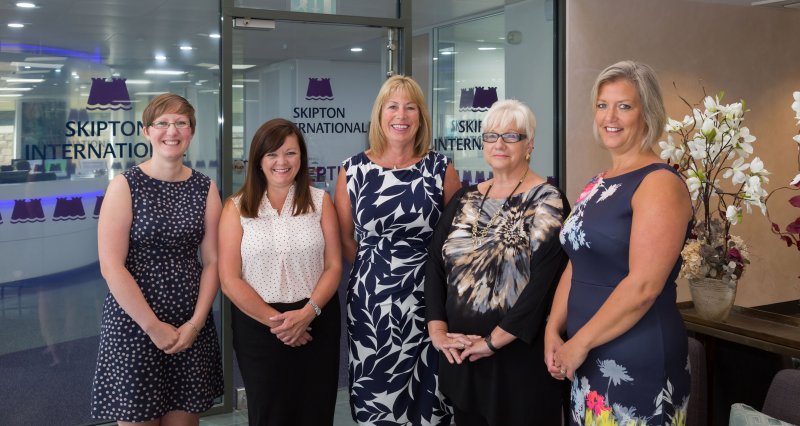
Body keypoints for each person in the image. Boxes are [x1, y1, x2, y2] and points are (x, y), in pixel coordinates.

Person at [545, 60, 693, 425]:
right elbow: (577, 261)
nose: (610, 117)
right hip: (584, 353)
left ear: (647, 113)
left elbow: (643, 286)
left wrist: (579, 343)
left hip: (636, 358)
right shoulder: (597, 182)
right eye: (602, 105)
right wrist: (553, 329)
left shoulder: (660, 183)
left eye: (624, 106)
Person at [425, 99, 569, 426]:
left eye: (511, 136)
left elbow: (544, 285)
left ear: (529, 145)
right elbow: (434, 263)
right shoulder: (465, 198)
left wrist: (493, 342)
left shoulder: (549, 200)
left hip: (519, 360)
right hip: (463, 356)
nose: (499, 144)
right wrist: (437, 329)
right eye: (491, 136)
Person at [334, 75, 461, 425]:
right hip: (371, 303)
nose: (401, 115)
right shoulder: (353, 170)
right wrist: (378, 269)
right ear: (379, 114)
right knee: (375, 395)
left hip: (429, 301)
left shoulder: (441, 169)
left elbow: (456, 240)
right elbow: (345, 239)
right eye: (392, 106)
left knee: (430, 401)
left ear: (421, 117)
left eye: (410, 107)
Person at [91, 93, 223, 425]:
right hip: (135, 325)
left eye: (181, 123)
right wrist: (152, 327)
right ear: (146, 131)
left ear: (191, 131)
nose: (172, 131)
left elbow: (213, 261)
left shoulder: (205, 188)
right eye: (162, 123)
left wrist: (195, 324)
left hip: (190, 325)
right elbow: (111, 265)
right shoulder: (125, 186)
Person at [219, 118, 342, 426]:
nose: (281, 162)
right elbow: (229, 279)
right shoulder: (236, 207)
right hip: (258, 325)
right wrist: (280, 324)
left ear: (301, 157)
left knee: (315, 412)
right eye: (272, 154)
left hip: (316, 319)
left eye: (290, 153)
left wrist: (307, 314)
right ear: (258, 160)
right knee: (269, 414)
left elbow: (334, 265)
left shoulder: (320, 202)